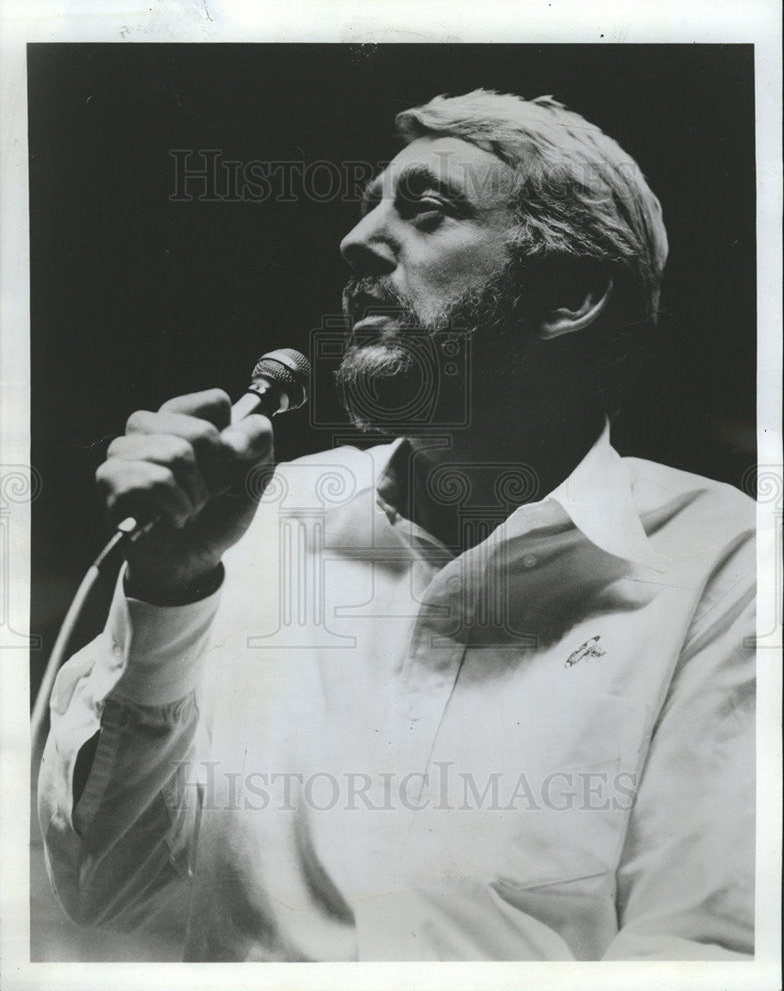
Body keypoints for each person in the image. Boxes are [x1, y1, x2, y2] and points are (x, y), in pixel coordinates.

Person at [38, 90, 755, 961]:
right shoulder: (255, 525)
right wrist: (171, 588)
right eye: (368, 205)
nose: (356, 241)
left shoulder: (724, 561)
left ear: (569, 295)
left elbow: (701, 951)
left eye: (426, 210)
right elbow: (108, 885)